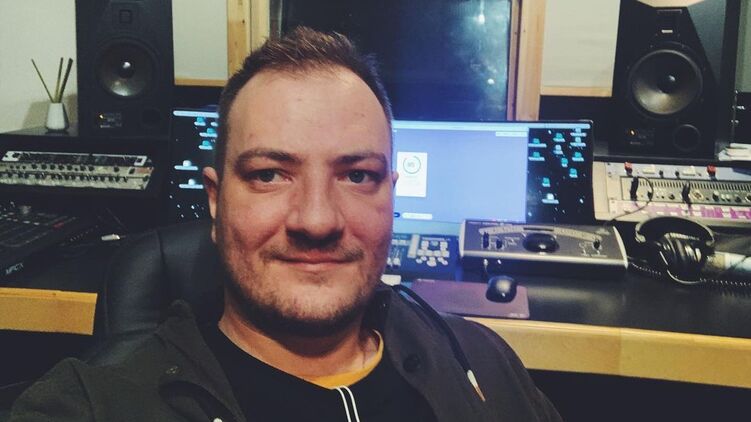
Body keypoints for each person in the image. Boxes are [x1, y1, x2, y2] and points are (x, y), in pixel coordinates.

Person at [10, 27, 561, 421]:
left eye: (358, 176)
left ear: (391, 195)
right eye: (269, 174)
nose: (317, 220)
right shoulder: (90, 405)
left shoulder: (484, 365)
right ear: (215, 200)